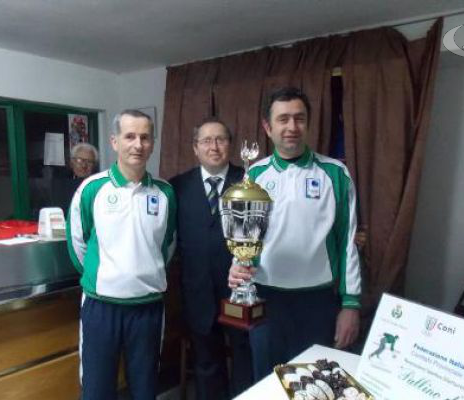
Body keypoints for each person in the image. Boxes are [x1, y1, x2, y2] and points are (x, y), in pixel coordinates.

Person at [228, 87, 362, 377]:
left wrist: (350, 305)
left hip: (318, 303)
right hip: (265, 300)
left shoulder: (335, 173)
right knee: (268, 385)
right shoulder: (254, 175)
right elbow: (245, 240)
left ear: (308, 123)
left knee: (315, 386)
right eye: (283, 119)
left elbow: (348, 242)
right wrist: (238, 267)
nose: (291, 127)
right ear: (268, 127)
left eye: (299, 118)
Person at [67, 109, 176, 400]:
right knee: (97, 390)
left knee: (145, 390)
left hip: (148, 308)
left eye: (145, 137)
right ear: (114, 141)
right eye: (130, 136)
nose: (138, 145)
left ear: (152, 143)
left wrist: (144, 272)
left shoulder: (165, 193)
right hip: (101, 307)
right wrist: (103, 275)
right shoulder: (91, 189)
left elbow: (167, 245)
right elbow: (77, 244)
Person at [170, 118, 253, 399]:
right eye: (206, 140)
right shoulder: (177, 187)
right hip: (197, 291)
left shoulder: (249, 181)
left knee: (245, 357)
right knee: (206, 362)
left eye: (221, 139)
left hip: (241, 291)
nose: (214, 146)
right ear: (195, 148)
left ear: (230, 145)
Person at [51, 143, 99, 213]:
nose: (84, 165)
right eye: (79, 160)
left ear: (94, 166)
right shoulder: (60, 184)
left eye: (89, 162)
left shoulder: (98, 185)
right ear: (71, 162)